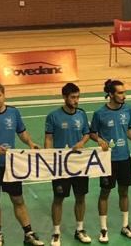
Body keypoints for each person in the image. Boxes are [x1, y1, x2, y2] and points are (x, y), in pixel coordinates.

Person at [0, 83, 44, 246]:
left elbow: (21, 132)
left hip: (11, 165)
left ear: (4, 95)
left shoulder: (14, 112)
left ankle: (29, 234)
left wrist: (30, 143)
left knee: (18, 199)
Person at [45, 83, 108, 245]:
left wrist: (82, 142)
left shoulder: (81, 114)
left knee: (80, 197)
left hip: (80, 163)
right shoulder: (53, 116)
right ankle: (56, 232)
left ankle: (79, 229)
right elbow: (49, 138)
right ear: (64, 97)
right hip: (60, 165)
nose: (76, 100)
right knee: (58, 198)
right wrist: (48, 157)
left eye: (78, 97)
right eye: (73, 97)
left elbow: (87, 134)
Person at [90, 79, 131, 242]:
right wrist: (99, 140)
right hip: (107, 160)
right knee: (105, 193)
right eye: (120, 92)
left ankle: (125, 225)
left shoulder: (128, 109)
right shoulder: (100, 113)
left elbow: (128, 129)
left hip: (124, 157)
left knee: (124, 191)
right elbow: (92, 133)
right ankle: (103, 229)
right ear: (110, 94)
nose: (123, 95)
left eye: (124, 92)